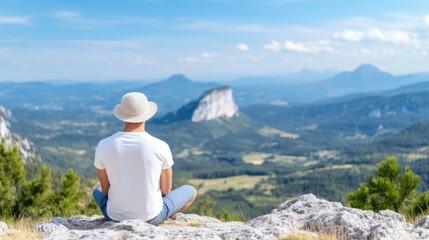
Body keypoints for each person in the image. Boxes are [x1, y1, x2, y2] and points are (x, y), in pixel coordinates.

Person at [92, 92, 197, 225]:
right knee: (191, 191)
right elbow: (166, 190)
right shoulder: (160, 146)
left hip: (114, 216)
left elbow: (106, 191)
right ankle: (161, 218)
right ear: (146, 115)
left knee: (97, 190)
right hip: (150, 217)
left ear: (122, 115)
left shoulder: (103, 145)